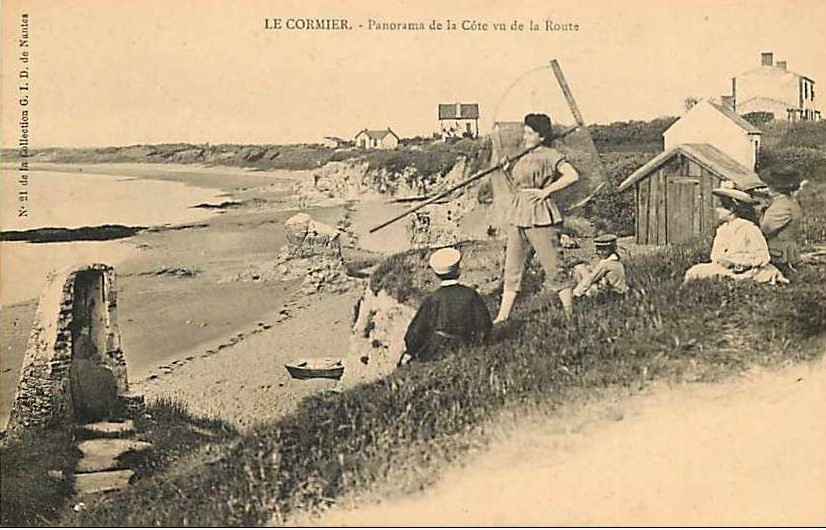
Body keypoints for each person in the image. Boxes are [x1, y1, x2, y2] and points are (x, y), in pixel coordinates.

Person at [493, 113, 580, 323]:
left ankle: (570, 316)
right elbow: (517, 186)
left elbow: (572, 175)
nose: (525, 137)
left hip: (541, 215)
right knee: (512, 268)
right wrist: (506, 170)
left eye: (529, 133)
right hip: (519, 213)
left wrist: (546, 191)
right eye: (525, 132)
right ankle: (502, 317)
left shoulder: (550, 155)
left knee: (554, 267)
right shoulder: (522, 155)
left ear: (541, 136)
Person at [402, 247, 492, 363]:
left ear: (436, 274)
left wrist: (412, 350)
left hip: (438, 351)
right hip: (467, 347)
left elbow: (414, 333)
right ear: (458, 270)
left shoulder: (433, 299)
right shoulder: (470, 294)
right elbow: (485, 325)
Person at [684, 184, 787, 284]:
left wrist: (741, 263)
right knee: (694, 271)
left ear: (731, 210)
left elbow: (763, 256)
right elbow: (716, 254)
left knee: (763, 274)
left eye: (720, 207)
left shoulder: (748, 228)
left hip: (748, 269)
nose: (717, 210)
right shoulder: (722, 230)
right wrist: (722, 260)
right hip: (725, 267)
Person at [758, 165, 804, 278]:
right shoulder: (788, 202)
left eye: (768, 185)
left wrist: (761, 210)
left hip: (779, 253)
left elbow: (765, 228)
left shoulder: (781, 205)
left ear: (775, 188)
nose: (766, 188)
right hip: (783, 250)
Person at [566, 234, 629, 299]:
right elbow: (595, 269)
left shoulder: (606, 264)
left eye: (603, 250)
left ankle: (578, 295)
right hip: (620, 291)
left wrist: (575, 293)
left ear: (611, 249)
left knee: (581, 270)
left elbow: (591, 278)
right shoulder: (616, 261)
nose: (600, 252)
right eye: (598, 249)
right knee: (581, 268)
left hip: (612, 294)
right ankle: (581, 293)